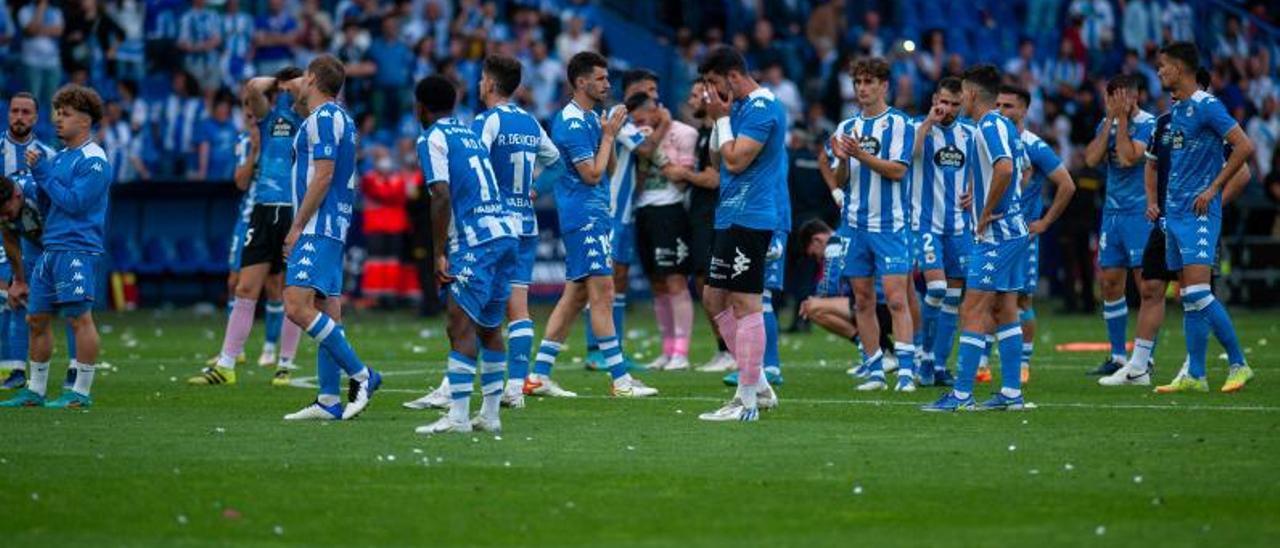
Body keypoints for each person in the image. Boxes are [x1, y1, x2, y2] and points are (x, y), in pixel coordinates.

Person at [404, 54, 560, 411]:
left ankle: (452, 391)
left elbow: (471, 170)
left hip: (484, 227)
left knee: (466, 313)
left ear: (489, 83)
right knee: (515, 310)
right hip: (524, 224)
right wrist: (534, 189)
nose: (478, 85)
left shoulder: (485, 123)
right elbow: (558, 165)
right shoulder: (530, 121)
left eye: (481, 79)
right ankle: (515, 388)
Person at [1101, 68, 1253, 387]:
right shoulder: (1164, 123)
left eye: (1170, 74)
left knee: (1195, 292)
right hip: (1166, 221)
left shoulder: (1207, 121)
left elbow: (1243, 173)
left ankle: (1217, 364)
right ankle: (1144, 367)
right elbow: (1151, 166)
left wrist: (1211, 202)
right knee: (1153, 287)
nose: (1168, 86)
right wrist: (1152, 201)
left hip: (1196, 219)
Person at [526, 51, 657, 399]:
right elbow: (591, 174)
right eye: (601, 78)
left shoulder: (592, 117)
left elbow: (610, 170)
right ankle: (620, 380)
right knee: (604, 293)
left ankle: (538, 376)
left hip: (596, 212)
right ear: (581, 82)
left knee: (575, 296)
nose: (607, 84)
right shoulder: (569, 122)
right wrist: (610, 136)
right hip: (583, 215)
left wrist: (607, 133)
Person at [411, 75, 522, 435]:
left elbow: (440, 195)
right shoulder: (470, 133)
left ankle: (457, 416)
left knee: (458, 324)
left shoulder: (431, 138)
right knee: (490, 327)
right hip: (506, 234)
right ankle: (490, 416)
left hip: (475, 242)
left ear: (420, 108)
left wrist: (438, 253)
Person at [1147, 43, 1255, 394]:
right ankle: (1195, 373)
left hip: (1198, 214)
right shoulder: (1178, 110)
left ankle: (1239, 363)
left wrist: (1214, 190)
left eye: (1163, 66)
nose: (1159, 72)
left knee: (1198, 291)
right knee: (1188, 296)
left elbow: (1245, 146)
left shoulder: (1209, 106)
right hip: (1175, 214)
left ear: (1179, 68)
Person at [189, 68, 305, 387]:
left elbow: (309, 93)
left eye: (290, 89)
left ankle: (285, 364)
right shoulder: (268, 119)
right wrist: (278, 82)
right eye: (281, 90)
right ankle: (226, 365)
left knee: (290, 291)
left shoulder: (309, 117)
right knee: (244, 287)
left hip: (296, 211)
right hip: (263, 211)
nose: (285, 93)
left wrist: (295, 85)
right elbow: (253, 88)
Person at [280, 55, 382, 421]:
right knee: (326, 311)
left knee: (295, 305)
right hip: (334, 225)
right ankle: (327, 399)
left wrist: (296, 226)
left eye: (303, 78)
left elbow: (322, 177)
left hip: (318, 225)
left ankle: (362, 374)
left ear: (311, 78)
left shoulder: (323, 119)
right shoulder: (342, 119)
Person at [922, 65, 1029, 412]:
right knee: (1005, 309)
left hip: (996, 233)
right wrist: (980, 193)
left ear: (970, 94)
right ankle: (1012, 394)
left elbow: (1005, 168)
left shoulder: (987, 126)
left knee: (973, 308)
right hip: (1012, 230)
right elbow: (1011, 168)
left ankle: (962, 394)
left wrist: (984, 211)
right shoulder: (1002, 124)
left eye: (962, 95)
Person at [0, 84, 110, 409]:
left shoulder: (95, 160)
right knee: (37, 319)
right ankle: (35, 390)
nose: (58, 120)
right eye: (57, 114)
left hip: (77, 247)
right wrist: (21, 188)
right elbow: (41, 194)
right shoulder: (61, 157)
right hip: (50, 247)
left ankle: (81, 392)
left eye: (66, 114)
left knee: (79, 318)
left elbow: (75, 203)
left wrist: (43, 174)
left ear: (86, 121)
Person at [695, 45, 784, 422]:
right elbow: (718, 161)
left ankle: (746, 402)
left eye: (713, 83)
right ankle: (759, 384)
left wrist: (720, 119)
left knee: (747, 304)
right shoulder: (739, 109)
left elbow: (735, 159)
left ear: (732, 77)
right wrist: (720, 120)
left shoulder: (763, 108)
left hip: (752, 216)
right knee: (713, 299)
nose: (709, 92)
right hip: (729, 214)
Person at [828, 57, 917, 392]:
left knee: (896, 299)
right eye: (858, 83)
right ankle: (875, 369)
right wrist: (842, 158)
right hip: (854, 226)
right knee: (862, 300)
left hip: (890, 225)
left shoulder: (900, 124)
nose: (862, 89)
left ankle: (906, 372)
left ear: (884, 86)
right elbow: (840, 179)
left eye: (869, 82)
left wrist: (860, 155)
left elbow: (898, 171)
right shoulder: (845, 128)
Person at [583, 69, 666, 373]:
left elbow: (640, 167)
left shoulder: (633, 125)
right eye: (649, 91)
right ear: (633, 91)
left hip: (625, 211)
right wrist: (665, 124)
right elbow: (645, 149)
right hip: (610, 211)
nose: (655, 98)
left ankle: (611, 347)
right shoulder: (622, 119)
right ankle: (596, 350)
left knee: (617, 281)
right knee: (603, 281)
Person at [997, 84, 1076, 384]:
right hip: (991, 234)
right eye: (999, 105)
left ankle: (1023, 363)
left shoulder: (1035, 146)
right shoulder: (989, 140)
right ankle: (981, 362)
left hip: (1023, 235)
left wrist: (1043, 223)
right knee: (986, 297)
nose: (1002, 112)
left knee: (1021, 301)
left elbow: (1067, 185)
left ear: (1024, 110)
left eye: (1009, 106)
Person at [1083, 74, 1156, 377]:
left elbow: (1127, 158)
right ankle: (1116, 355)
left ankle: (1144, 357)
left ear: (1135, 96)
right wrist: (1111, 121)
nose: (1114, 102)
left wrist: (1121, 122)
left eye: (1121, 97)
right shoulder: (1106, 123)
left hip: (1141, 214)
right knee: (1110, 282)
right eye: (1110, 97)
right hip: (1112, 215)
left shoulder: (1151, 125)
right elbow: (1090, 159)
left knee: (1146, 286)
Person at [0, 93, 67, 391]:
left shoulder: (48, 154)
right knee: (8, 296)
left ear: (36, 118)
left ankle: (15, 370)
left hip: (35, 236)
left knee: (17, 297)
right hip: (7, 232)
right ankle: (12, 369)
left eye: (26, 112)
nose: (19, 117)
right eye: (15, 111)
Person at [627, 92, 698, 373]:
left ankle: (682, 351)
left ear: (656, 110)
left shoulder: (684, 133)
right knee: (657, 283)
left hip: (671, 210)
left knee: (675, 282)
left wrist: (658, 142)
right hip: (644, 210)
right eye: (635, 122)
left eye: (643, 119)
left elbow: (680, 180)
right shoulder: (639, 136)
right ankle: (667, 350)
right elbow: (641, 183)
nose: (639, 125)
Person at [908, 77, 972, 388]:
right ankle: (924, 355)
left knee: (953, 298)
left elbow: (988, 168)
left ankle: (939, 365)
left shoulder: (970, 133)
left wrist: (976, 190)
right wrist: (927, 125)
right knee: (935, 288)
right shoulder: (918, 126)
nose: (947, 109)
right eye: (943, 102)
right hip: (926, 224)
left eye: (954, 104)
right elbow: (910, 156)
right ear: (935, 99)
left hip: (959, 228)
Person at [680, 80, 736, 374]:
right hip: (701, 215)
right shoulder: (704, 133)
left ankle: (730, 349)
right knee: (705, 284)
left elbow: (714, 179)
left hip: (714, 216)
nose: (690, 101)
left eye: (694, 95)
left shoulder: (719, 132)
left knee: (714, 285)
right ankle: (725, 348)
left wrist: (682, 174)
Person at [194, 90, 241, 182]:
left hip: (230, 175)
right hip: (212, 177)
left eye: (226, 109)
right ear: (214, 108)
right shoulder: (206, 126)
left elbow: (237, 148)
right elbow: (204, 152)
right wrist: (202, 174)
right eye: (221, 108)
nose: (223, 111)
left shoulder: (233, 126)